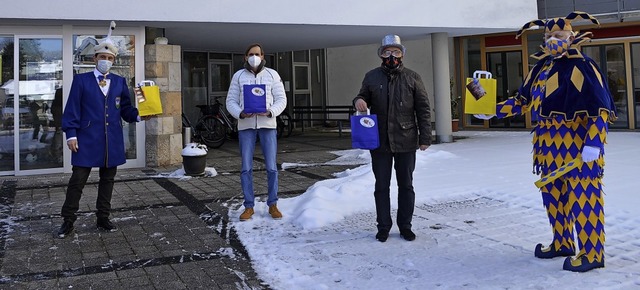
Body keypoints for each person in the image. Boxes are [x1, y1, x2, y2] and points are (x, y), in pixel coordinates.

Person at [474, 12, 616, 272]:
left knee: (584, 199)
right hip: (547, 148)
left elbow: (601, 109)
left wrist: (594, 143)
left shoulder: (583, 66)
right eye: (548, 36)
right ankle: (562, 242)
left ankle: (592, 253)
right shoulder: (540, 68)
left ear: (572, 37)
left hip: (577, 146)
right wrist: (492, 110)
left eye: (559, 36)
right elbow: (521, 102)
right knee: (554, 198)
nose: (552, 40)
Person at [57, 21, 150, 238]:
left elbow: (125, 108)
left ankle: (103, 218)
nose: (106, 61)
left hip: (112, 140)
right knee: (77, 181)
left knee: (107, 181)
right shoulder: (81, 81)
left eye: (109, 58)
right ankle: (68, 220)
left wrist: (138, 114)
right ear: (94, 59)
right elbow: (72, 109)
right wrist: (71, 134)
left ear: (113, 61)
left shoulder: (119, 82)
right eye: (102, 57)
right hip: (86, 139)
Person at [353, 34, 431, 242]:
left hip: (406, 139)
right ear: (381, 55)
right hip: (379, 141)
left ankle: (405, 225)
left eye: (395, 52)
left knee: (406, 185)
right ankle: (383, 226)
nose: (391, 56)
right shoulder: (371, 76)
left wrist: (425, 137)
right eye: (387, 52)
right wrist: (359, 100)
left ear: (402, 54)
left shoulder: (413, 77)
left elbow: (423, 109)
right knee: (381, 186)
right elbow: (362, 96)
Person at [226, 43, 287, 221]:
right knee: (246, 168)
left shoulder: (272, 75)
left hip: (268, 125)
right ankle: (249, 206)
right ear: (245, 57)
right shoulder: (238, 76)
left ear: (263, 56)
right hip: (246, 126)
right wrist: (240, 113)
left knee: (271, 167)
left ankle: (273, 204)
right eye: (251, 54)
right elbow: (231, 101)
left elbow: (282, 99)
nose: (254, 57)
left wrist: (270, 112)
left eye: (257, 54)